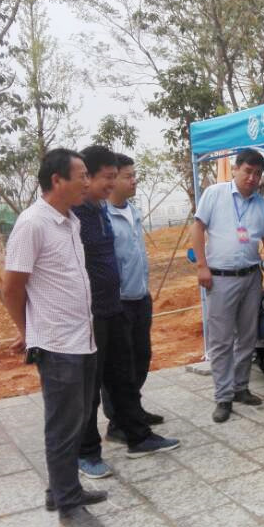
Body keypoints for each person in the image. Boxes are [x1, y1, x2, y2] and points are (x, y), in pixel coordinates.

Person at [3, 149, 107, 527]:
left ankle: (61, 488)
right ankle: (68, 505)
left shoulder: (71, 221)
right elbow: (12, 287)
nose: (87, 182)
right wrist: (27, 332)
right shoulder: (32, 223)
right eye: (81, 176)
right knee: (63, 425)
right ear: (57, 180)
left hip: (83, 336)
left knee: (77, 420)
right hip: (57, 342)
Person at [74, 146, 179, 479]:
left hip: (115, 308)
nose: (111, 184)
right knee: (90, 388)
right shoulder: (72, 216)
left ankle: (137, 435)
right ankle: (87, 452)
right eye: (108, 177)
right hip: (90, 314)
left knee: (124, 376)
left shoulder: (99, 211)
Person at [192, 148, 264, 423]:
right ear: (235, 169)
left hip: (251, 278)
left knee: (247, 336)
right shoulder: (214, 194)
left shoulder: (261, 205)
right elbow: (197, 228)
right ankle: (223, 397)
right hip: (219, 278)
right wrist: (201, 266)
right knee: (221, 340)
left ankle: (240, 387)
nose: (252, 177)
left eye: (257, 173)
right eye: (247, 171)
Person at [104, 153, 163, 443]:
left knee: (141, 357)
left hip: (140, 297)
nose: (134, 180)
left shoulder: (134, 211)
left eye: (134, 175)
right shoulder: (103, 216)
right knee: (119, 365)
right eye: (128, 176)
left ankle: (132, 409)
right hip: (119, 303)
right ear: (112, 179)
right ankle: (118, 422)